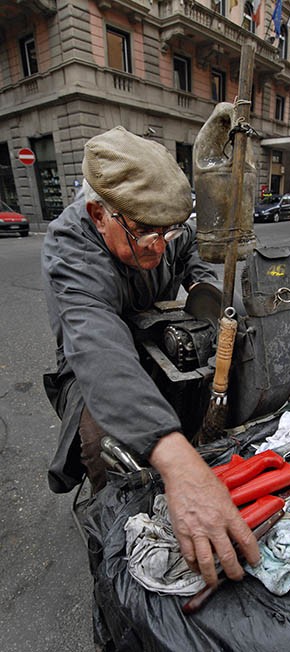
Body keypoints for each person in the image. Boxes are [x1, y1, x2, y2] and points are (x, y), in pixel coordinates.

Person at [42, 125, 259, 587]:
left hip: (155, 336)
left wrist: (206, 292)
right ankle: (121, 537)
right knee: (105, 445)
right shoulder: (70, 247)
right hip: (95, 360)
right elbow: (98, 345)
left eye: (168, 231)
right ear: (100, 214)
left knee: (205, 396)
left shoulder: (156, 224)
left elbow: (192, 256)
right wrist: (178, 463)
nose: (159, 247)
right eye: (144, 234)